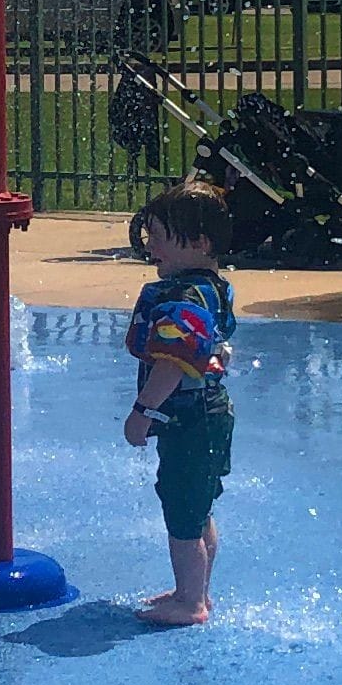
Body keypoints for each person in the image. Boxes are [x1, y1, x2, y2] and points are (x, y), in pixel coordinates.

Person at [122, 186, 237, 627]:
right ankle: (196, 589)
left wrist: (142, 412)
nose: (151, 246)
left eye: (160, 237)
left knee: (181, 510)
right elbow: (217, 349)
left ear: (199, 243)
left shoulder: (184, 298)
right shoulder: (213, 289)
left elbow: (173, 363)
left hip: (188, 418)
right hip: (212, 414)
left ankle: (191, 603)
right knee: (199, 505)